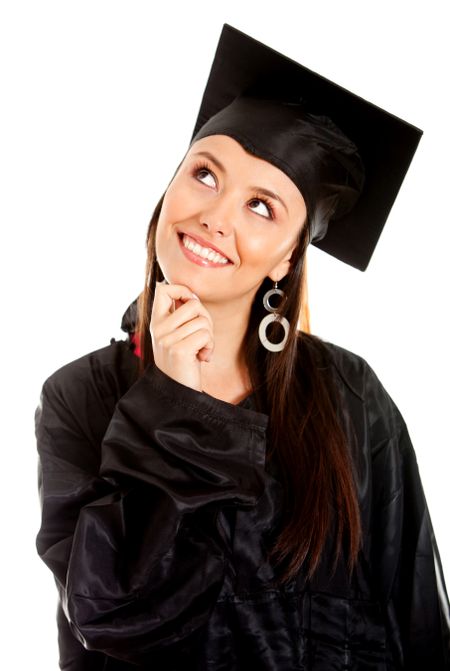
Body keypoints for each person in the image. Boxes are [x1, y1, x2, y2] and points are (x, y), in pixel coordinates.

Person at [35, 24, 450, 671]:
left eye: (263, 206)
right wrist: (172, 400)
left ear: (288, 257)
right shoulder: (81, 396)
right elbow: (110, 618)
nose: (217, 215)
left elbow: (417, 621)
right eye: (205, 173)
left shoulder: (351, 396)